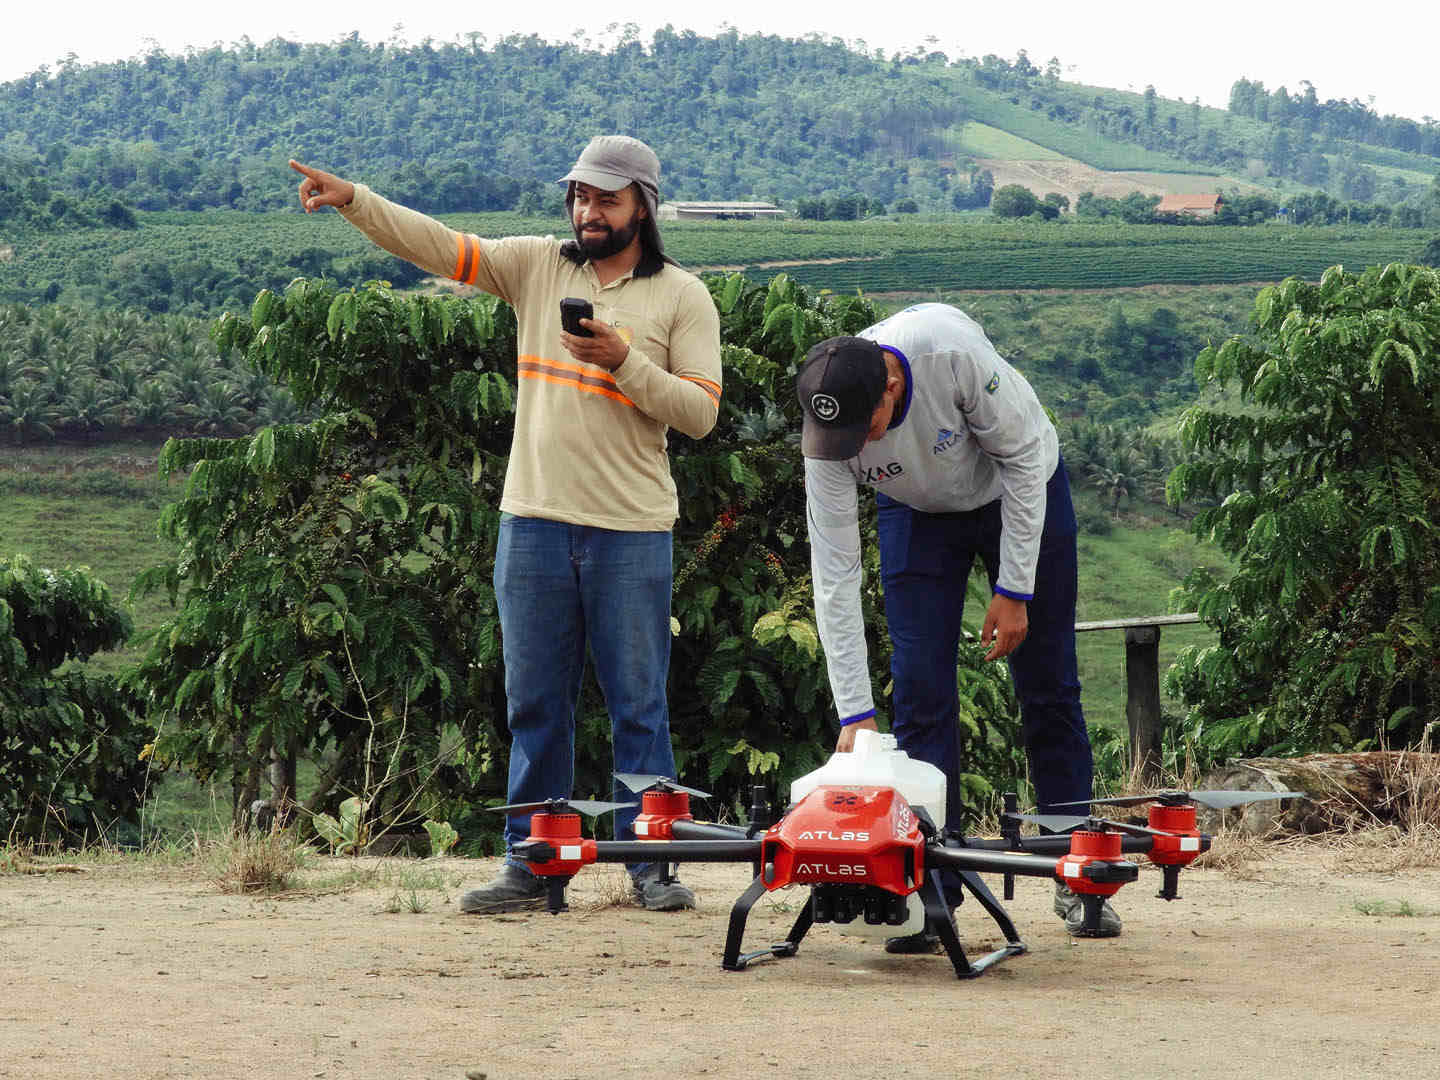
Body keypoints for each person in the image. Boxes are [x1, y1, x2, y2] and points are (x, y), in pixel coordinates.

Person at [290, 136, 722, 914]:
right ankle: (534, 867)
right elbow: (438, 246)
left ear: (644, 207)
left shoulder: (683, 297)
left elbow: (699, 414)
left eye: (608, 199)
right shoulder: (535, 265)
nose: (589, 212)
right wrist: (355, 200)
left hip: (632, 529)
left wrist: (623, 360)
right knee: (534, 703)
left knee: (639, 704)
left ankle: (652, 862)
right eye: (581, 197)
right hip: (533, 524)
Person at [794, 302, 1118, 944]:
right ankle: (927, 894)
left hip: (1018, 489)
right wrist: (853, 715)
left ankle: (1076, 875)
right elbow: (833, 573)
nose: (854, 448)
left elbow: (1026, 460)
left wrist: (1014, 587)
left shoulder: (947, 351)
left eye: (868, 428)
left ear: (891, 385)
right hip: (917, 512)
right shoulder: (828, 431)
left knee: (1048, 686)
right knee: (918, 690)